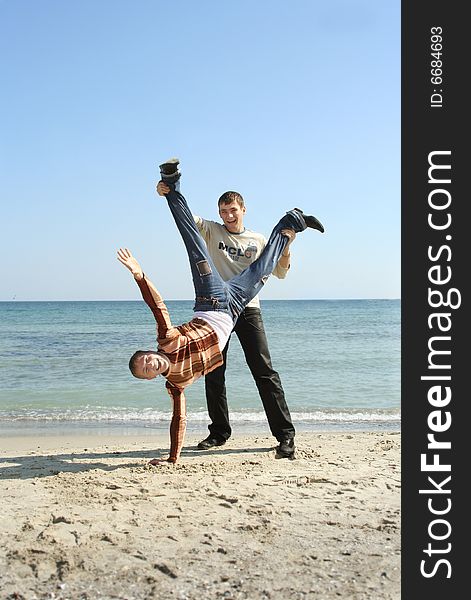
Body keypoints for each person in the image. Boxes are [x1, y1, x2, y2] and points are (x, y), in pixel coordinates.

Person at [118, 158, 324, 464]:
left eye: (233, 210)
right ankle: (219, 432)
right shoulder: (213, 229)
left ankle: (285, 436)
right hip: (226, 302)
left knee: (264, 372)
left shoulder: (256, 238)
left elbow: (278, 271)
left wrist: (287, 245)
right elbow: (190, 224)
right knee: (215, 375)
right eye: (223, 211)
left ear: (242, 210)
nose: (228, 215)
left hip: (240, 305)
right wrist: (169, 196)